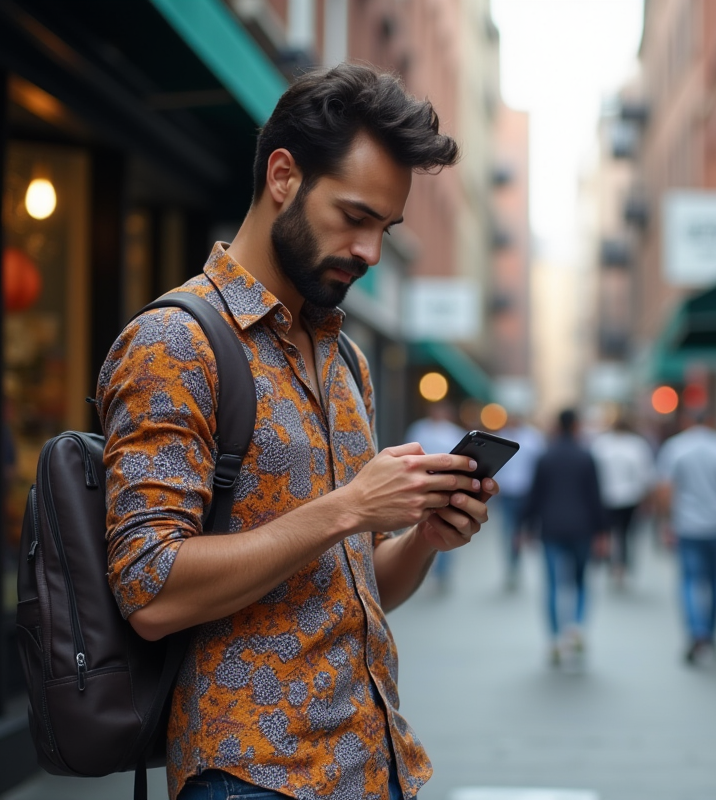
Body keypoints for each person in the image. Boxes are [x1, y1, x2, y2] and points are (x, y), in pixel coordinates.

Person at [96, 64, 497, 800]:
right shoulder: (174, 343)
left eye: (386, 227)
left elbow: (355, 584)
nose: (371, 251)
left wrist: (425, 539)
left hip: (372, 765)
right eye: (354, 217)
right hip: (250, 776)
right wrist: (350, 507)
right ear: (283, 175)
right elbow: (149, 593)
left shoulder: (343, 356)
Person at [655, 407, 716, 665]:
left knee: (690, 580)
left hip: (687, 526)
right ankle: (712, 634)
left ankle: (696, 632)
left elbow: (664, 490)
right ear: (712, 421)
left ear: (687, 421)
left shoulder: (675, 448)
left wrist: (668, 519)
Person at [524, 409, 609, 665]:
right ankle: (576, 627)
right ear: (576, 426)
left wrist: (525, 526)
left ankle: (553, 639)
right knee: (581, 580)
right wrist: (603, 531)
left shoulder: (545, 457)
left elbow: (534, 495)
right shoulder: (586, 457)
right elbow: (596, 497)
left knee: (552, 584)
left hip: (551, 528)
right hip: (582, 528)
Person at [590, 411, 656, 589]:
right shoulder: (636, 445)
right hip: (628, 497)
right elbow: (645, 473)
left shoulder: (602, 444)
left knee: (613, 533)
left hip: (611, 496)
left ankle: (615, 565)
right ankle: (620, 566)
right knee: (625, 534)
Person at [404, 401, 466, 588]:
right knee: (423, 526)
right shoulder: (420, 429)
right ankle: (424, 568)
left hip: (448, 487)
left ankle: (443, 571)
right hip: (423, 484)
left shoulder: (453, 432)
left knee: (447, 526)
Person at [492, 412, 546, 590]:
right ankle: (513, 567)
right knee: (509, 531)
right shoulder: (501, 437)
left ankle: (517, 563)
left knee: (524, 532)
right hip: (507, 493)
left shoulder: (532, 438)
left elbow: (540, 465)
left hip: (526, 493)